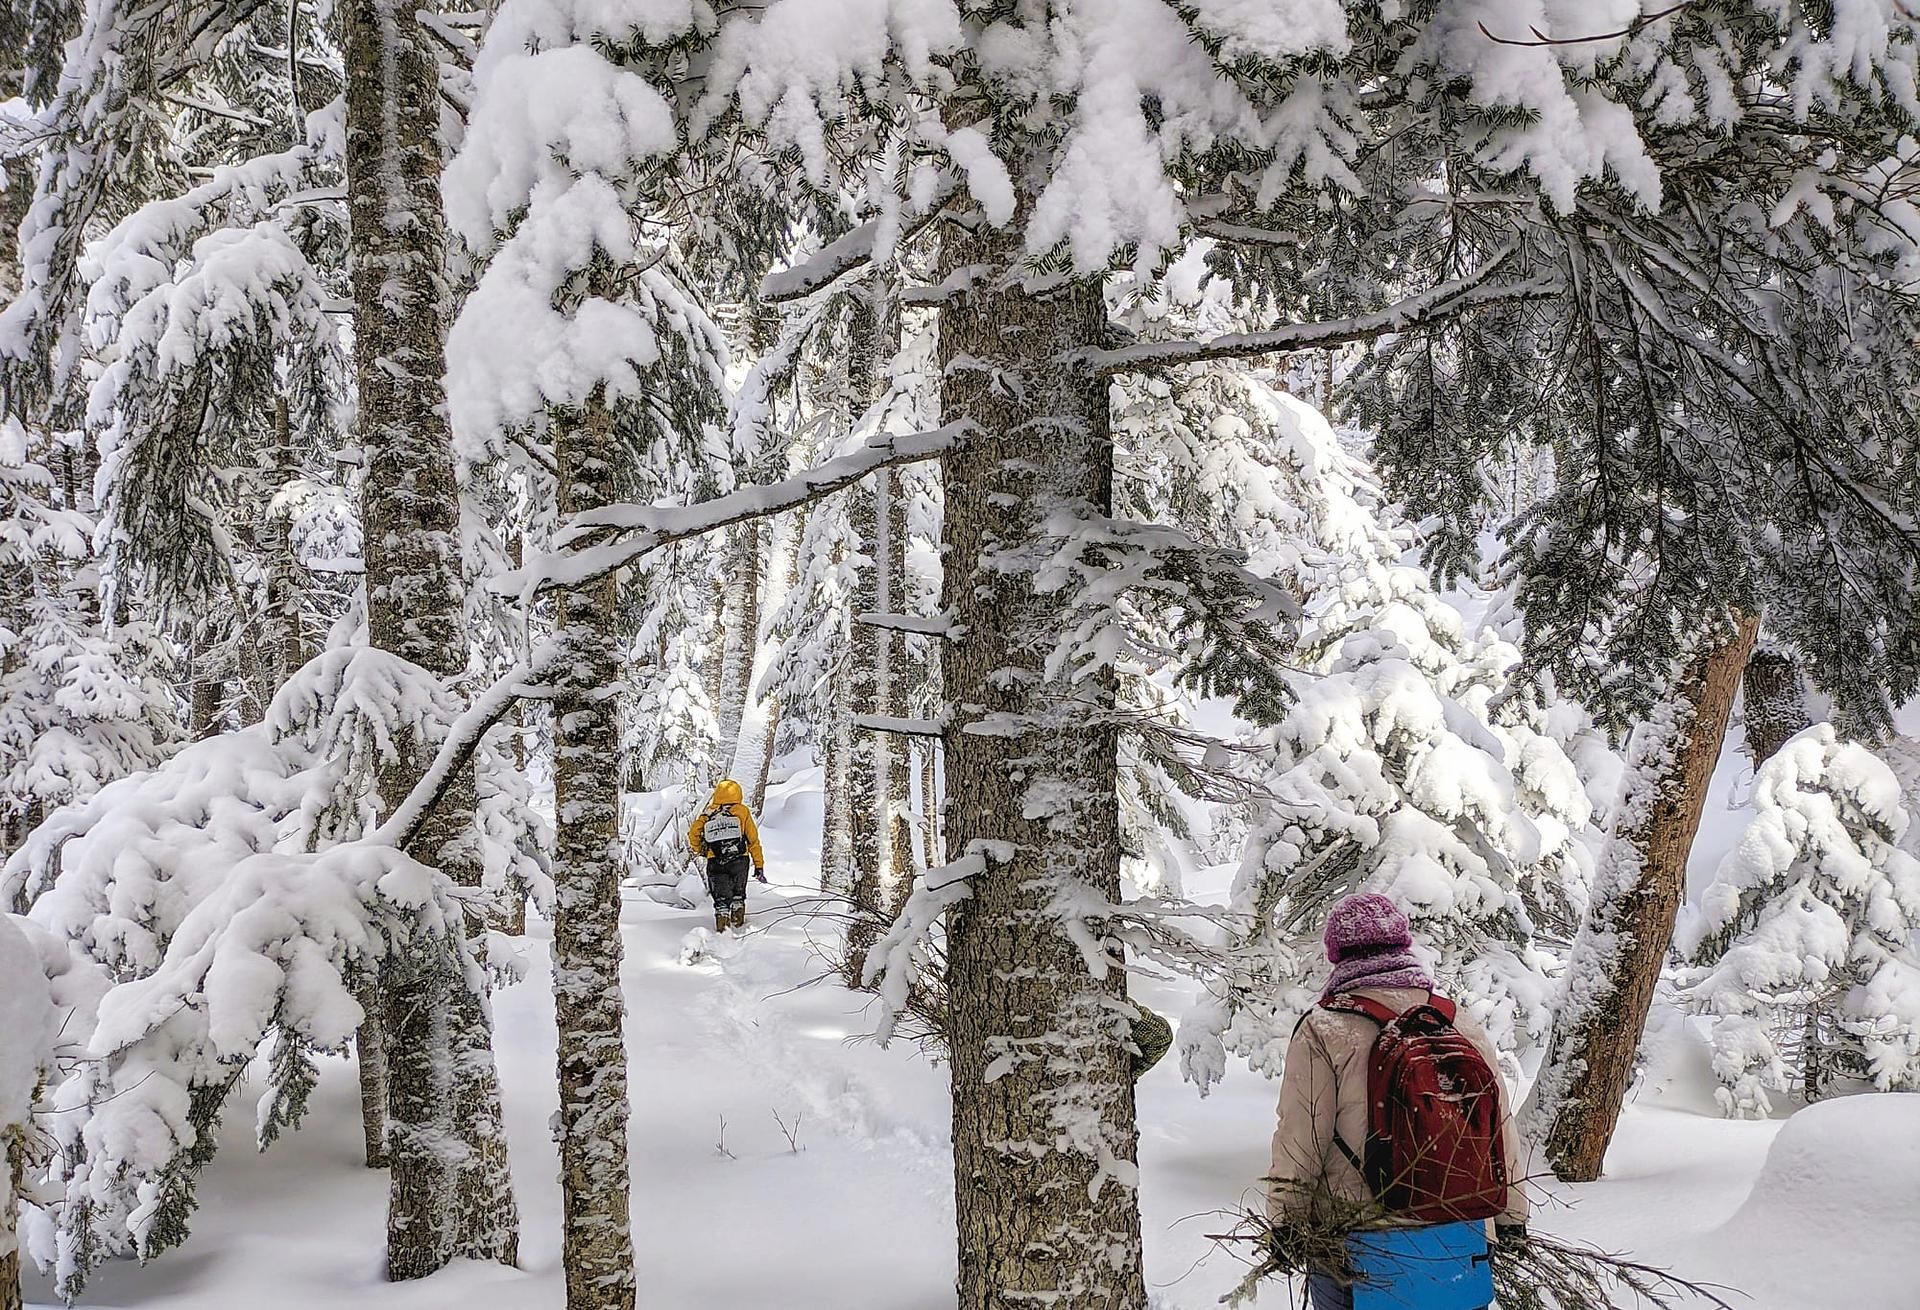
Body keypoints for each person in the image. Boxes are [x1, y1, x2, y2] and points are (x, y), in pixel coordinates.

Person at [1267, 893, 1528, 1310]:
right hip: (1460, 1236)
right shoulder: (1455, 1020)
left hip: (1358, 1242)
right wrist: (1511, 1216)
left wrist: (1286, 1223)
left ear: (1336, 952)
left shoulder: (1325, 1028)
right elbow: (1498, 1124)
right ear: (1403, 945)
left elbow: (1301, 1137)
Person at [688, 779, 765, 933]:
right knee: (738, 894)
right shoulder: (742, 812)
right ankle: (738, 925)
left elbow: (693, 834)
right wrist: (759, 865)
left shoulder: (710, 812)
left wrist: (701, 850)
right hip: (740, 859)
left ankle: (722, 926)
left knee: (721, 898)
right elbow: (753, 840)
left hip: (715, 860)